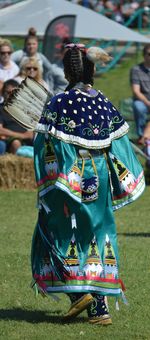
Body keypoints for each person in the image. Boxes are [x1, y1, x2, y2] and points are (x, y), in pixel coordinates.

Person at [30, 43, 145, 325]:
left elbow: (47, 145)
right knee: (99, 234)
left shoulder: (59, 101)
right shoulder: (102, 100)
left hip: (72, 177)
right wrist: (122, 180)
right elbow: (119, 145)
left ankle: (77, 292)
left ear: (67, 70)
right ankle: (99, 309)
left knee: (56, 229)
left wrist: (53, 180)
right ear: (91, 69)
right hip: (102, 176)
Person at [11, 27, 67, 94]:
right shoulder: (20, 54)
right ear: (25, 44)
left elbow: (51, 69)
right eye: (29, 44)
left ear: (37, 45)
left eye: (34, 44)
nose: (31, 46)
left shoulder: (40, 56)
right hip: (22, 83)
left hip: (37, 84)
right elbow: (8, 62)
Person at [0, 79, 33, 155]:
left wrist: (29, 134)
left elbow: (33, 128)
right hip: (10, 139)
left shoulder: (27, 109)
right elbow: (0, 130)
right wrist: (23, 136)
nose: (11, 95)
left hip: (29, 139)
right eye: (8, 92)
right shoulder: (1, 109)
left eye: (14, 92)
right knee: (16, 143)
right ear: (2, 93)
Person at [130, 44, 150, 144]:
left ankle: (145, 137)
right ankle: (141, 135)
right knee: (139, 107)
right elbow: (136, 91)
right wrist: (148, 103)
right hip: (143, 100)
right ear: (144, 55)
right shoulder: (136, 70)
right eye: (149, 54)